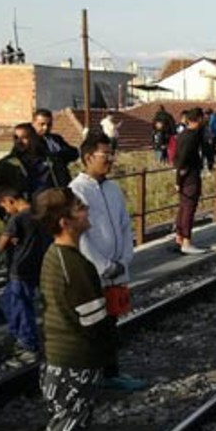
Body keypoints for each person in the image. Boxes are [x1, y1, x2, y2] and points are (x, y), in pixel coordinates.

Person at [22, 188, 113, 431]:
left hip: (64, 359)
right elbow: (92, 320)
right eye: (79, 207)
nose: (86, 209)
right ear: (65, 222)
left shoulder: (56, 255)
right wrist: (108, 347)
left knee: (69, 426)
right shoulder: (74, 263)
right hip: (73, 360)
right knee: (66, 430)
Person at [71, 133, 147, 390]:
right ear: (88, 157)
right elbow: (80, 237)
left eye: (112, 154)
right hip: (94, 273)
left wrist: (125, 258)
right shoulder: (76, 191)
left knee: (111, 324)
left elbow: (125, 226)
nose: (111, 160)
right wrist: (103, 265)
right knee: (93, 326)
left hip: (117, 270)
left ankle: (110, 373)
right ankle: (92, 376)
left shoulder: (113, 189)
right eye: (106, 155)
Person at [0, 187, 50, 358]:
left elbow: (1, 245)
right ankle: (19, 337)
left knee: (21, 306)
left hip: (20, 267)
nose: (6, 210)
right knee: (11, 301)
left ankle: (27, 342)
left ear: (9, 200)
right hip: (39, 265)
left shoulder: (17, 219)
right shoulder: (38, 214)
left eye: (4, 206)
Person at [0, 123, 51, 218]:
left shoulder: (51, 162)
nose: (19, 142)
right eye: (16, 138)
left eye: (24, 138)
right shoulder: (6, 165)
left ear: (34, 139)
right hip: (20, 218)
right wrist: (6, 217)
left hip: (48, 217)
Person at [174, 109, 209, 254]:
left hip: (184, 175)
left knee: (183, 207)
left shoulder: (183, 134)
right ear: (199, 119)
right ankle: (186, 241)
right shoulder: (192, 137)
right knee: (189, 208)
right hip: (190, 175)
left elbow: (178, 158)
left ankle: (179, 238)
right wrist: (179, 179)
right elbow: (183, 159)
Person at [32, 109, 80, 189]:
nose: (45, 127)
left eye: (49, 125)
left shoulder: (56, 139)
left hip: (62, 181)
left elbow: (73, 153)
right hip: (44, 185)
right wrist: (58, 156)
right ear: (33, 123)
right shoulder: (31, 142)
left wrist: (59, 155)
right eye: (42, 124)